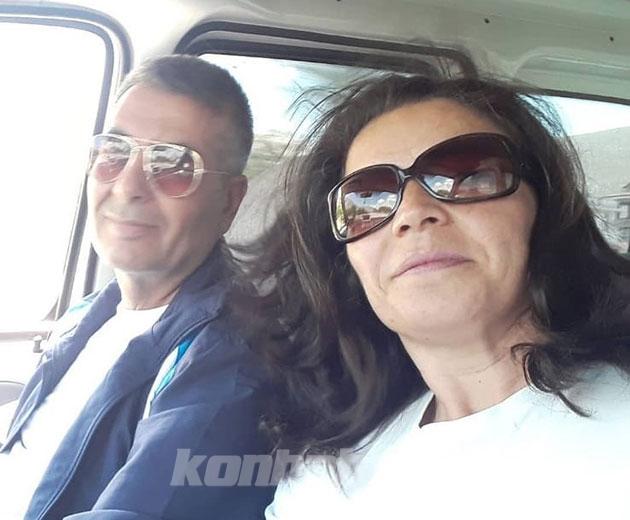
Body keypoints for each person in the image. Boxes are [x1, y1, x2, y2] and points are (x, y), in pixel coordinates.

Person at [236, 73, 630, 519]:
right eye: (367, 200)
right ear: (347, 264)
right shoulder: (325, 480)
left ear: (543, 211)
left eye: (467, 176)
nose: (412, 212)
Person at [0, 55, 274, 519]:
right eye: (114, 152)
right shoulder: (89, 313)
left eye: (173, 164)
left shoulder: (230, 363)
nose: (127, 185)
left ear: (229, 203)